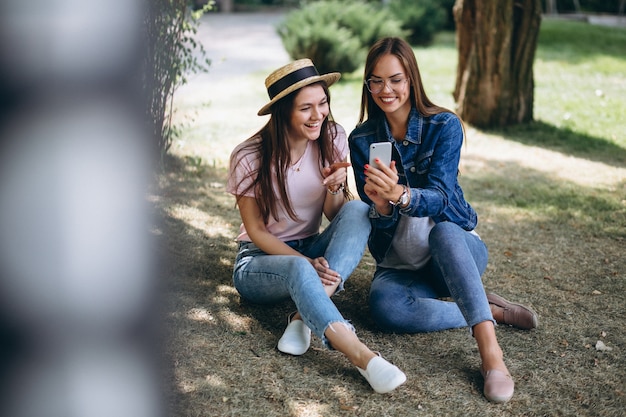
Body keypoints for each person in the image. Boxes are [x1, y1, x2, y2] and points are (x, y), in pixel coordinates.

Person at [348, 37, 538, 403]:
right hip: (402, 264)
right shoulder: (362, 141)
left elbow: (442, 199)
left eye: (396, 79)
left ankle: (491, 356)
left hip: (453, 249)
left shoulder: (444, 126)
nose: (385, 90)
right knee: (384, 308)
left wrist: (401, 195)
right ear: (367, 85)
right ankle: (488, 308)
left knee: (446, 235)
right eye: (376, 80)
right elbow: (379, 227)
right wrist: (383, 208)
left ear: (412, 79)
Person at [227, 59, 406, 394]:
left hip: (310, 244)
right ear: (282, 112)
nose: (318, 115)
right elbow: (256, 231)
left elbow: (334, 214)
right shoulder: (249, 156)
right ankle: (364, 358)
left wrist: (336, 187)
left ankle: (301, 317)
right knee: (298, 267)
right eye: (305, 108)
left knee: (357, 211)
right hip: (258, 261)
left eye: (322, 103)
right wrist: (306, 265)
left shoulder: (332, 136)